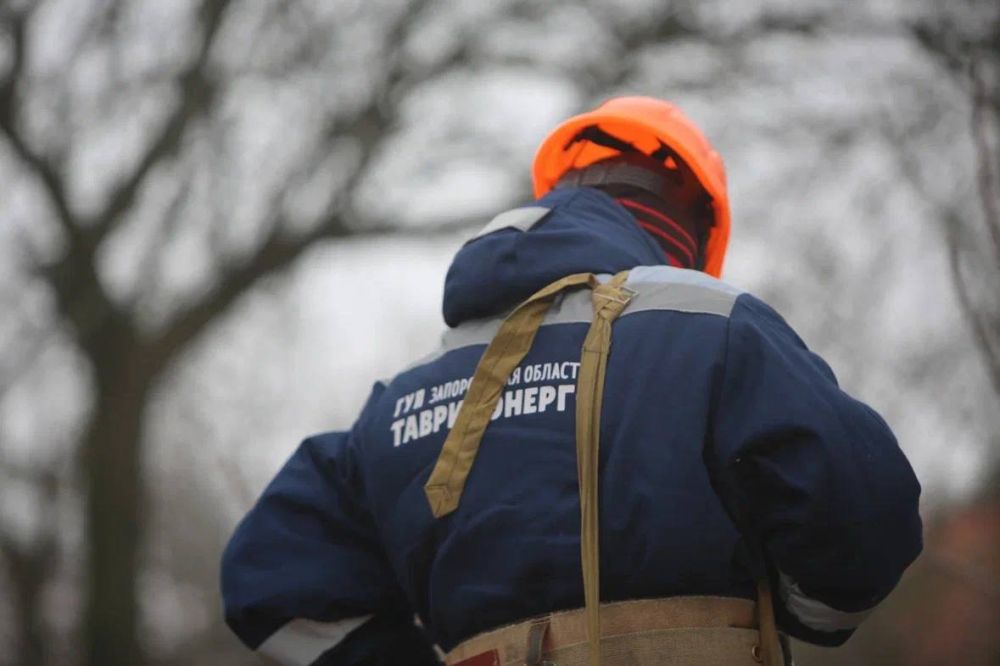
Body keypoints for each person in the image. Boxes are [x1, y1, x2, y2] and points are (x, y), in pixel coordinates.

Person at [220, 97, 923, 666]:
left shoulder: (393, 406)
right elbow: (867, 514)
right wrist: (801, 615)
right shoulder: (713, 327)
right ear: (693, 232)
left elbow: (270, 575)